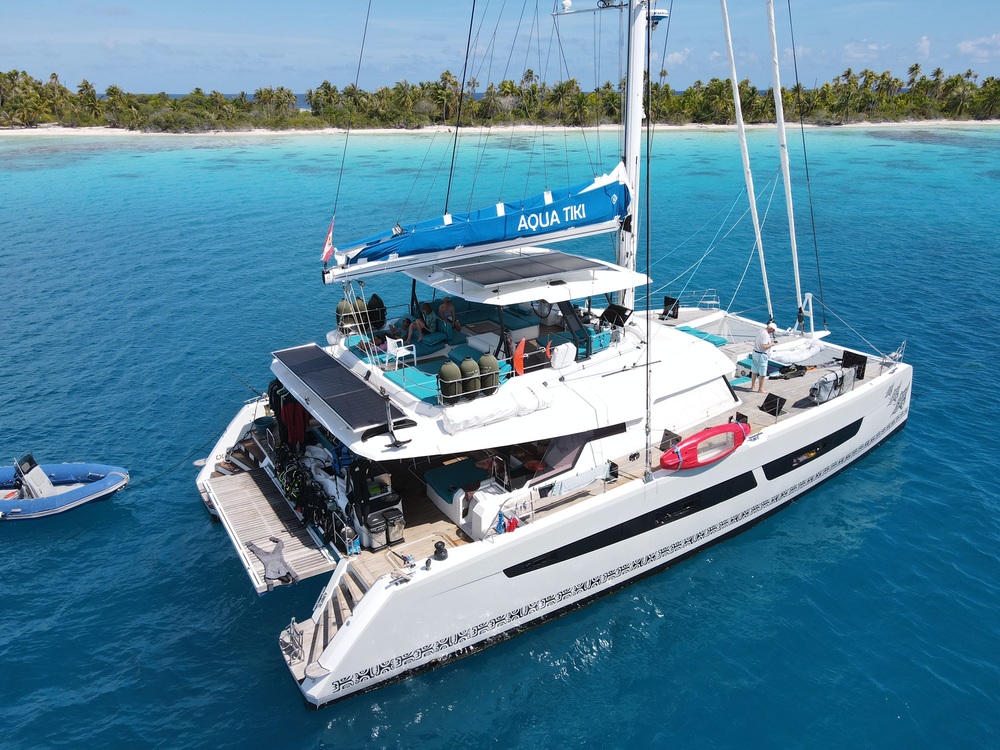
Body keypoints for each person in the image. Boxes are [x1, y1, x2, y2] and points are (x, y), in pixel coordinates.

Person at [750, 321, 778, 394]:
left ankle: (752, 386)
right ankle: (760, 389)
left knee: (754, 371)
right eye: (773, 330)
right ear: (771, 329)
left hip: (755, 353)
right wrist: (772, 344)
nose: (772, 332)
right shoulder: (765, 335)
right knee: (762, 373)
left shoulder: (761, 331)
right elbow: (764, 346)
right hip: (761, 355)